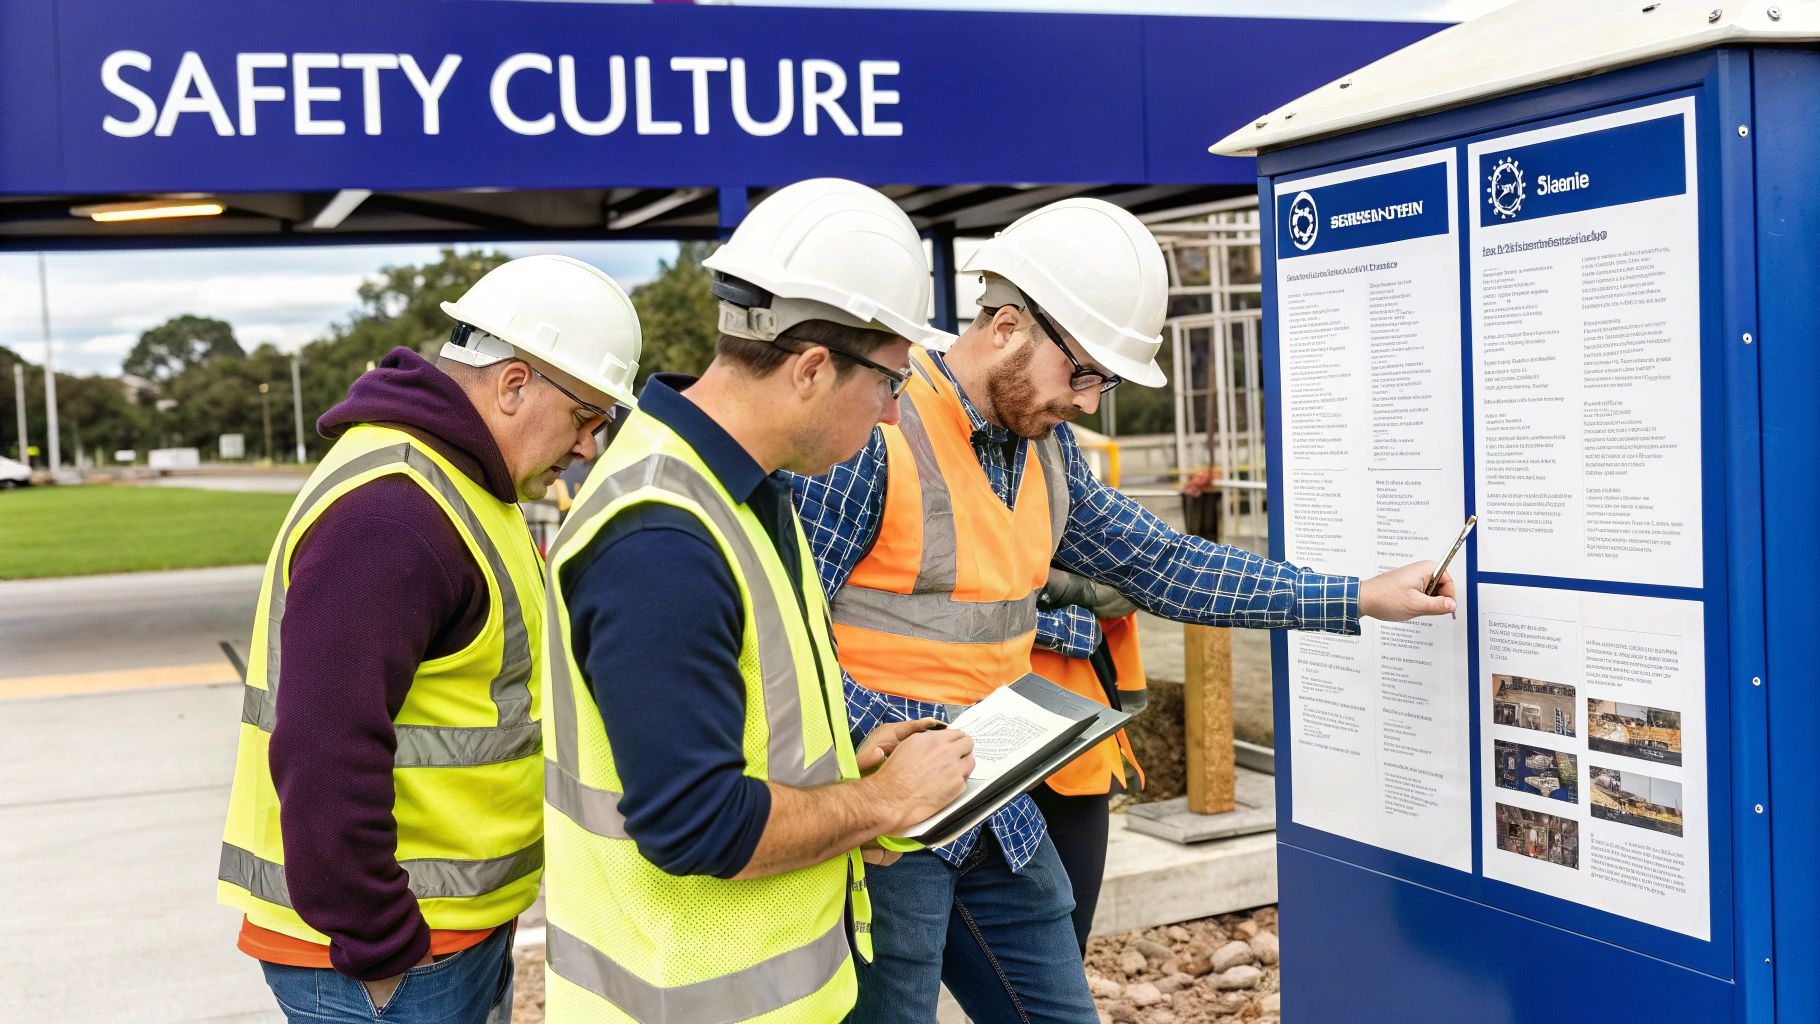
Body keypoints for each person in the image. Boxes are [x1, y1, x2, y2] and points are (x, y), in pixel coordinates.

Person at [792, 197, 1458, 1023]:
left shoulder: (1047, 450)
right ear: (1006, 326)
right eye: (1084, 373)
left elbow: (1164, 563)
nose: (1091, 401)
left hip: (996, 810)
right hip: (884, 836)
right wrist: (871, 760)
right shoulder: (870, 432)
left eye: (1103, 380)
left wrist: (1356, 596)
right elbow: (783, 634)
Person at [539, 178, 975, 1023]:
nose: (891, 416)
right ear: (813, 368)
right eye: (891, 384)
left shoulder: (738, 493)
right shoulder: (662, 540)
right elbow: (696, 825)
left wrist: (851, 757)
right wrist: (884, 804)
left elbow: (738, 720)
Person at [218, 255, 642, 1024]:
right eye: (587, 418)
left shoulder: (464, 483)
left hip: (446, 935)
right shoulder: (396, 513)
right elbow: (324, 743)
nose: (588, 448)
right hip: (386, 961)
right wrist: (382, 942)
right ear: (514, 383)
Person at [1031, 568, 1149, 953]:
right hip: (967, 739)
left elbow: (1132, 579)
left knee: (1066, 942)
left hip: (1076, 743)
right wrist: (1067, 622)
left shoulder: (1065, 508)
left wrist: (1041, 595)